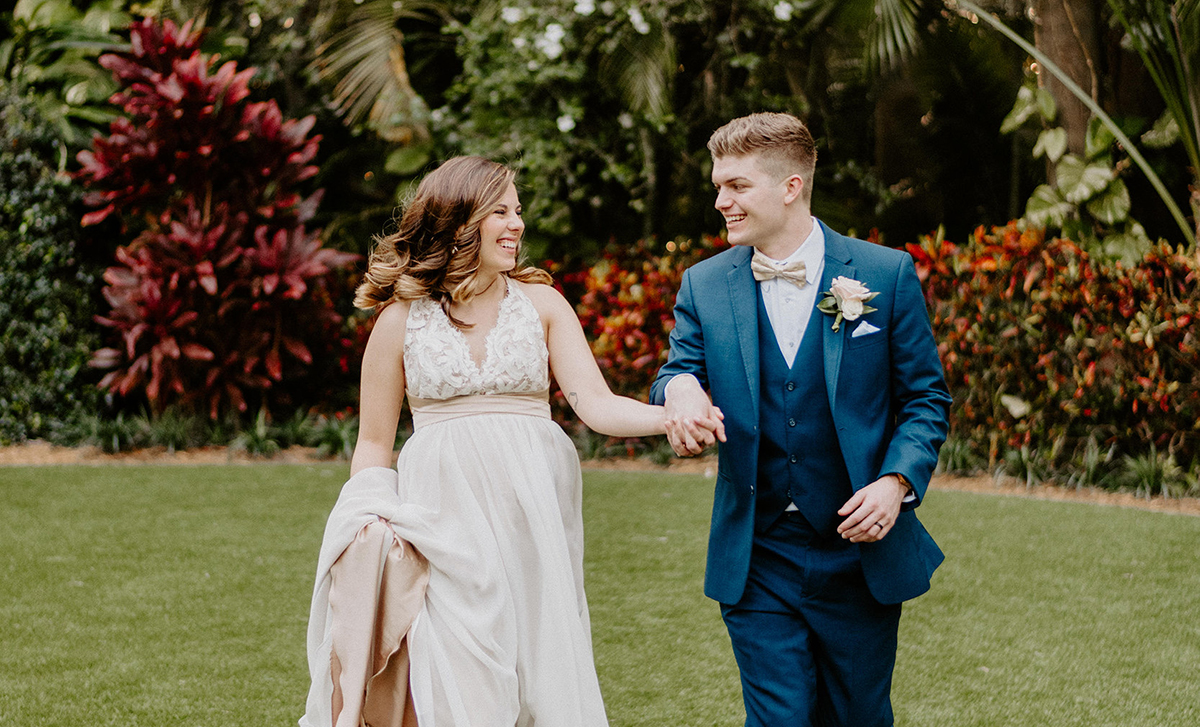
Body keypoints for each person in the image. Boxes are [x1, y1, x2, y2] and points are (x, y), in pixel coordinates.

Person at [301, 156, 691, 727]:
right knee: (459, 670)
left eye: (518, 211)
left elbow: (596, 405)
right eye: (500, 211)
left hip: (532, 522)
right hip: (442, 523)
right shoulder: (400, 321)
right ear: (460, 221)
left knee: (539, 669)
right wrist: (368, 517)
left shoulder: (542, 305)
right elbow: (373, 442)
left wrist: (670, 420)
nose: (517, 225)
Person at [651, 112, 952, 727]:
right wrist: (680, 390)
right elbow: (675, 369)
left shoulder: (885, 274)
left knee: (858, 716)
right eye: (718, 186)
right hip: (757, 552)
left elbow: (925, 399)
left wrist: (896, 484)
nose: (720, 201)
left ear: (790, 186)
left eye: (736, 186)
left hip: (858, 554)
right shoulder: (703, 284)